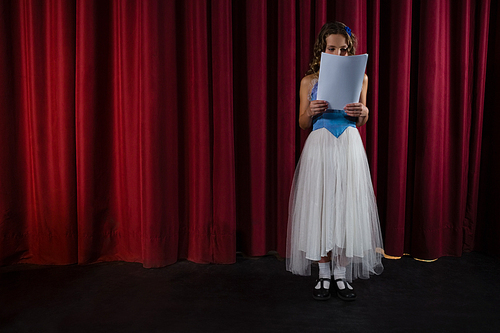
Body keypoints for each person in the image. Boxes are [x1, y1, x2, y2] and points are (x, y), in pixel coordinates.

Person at [286, 21, 384, 301]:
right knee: (320, 204)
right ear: (322, 50)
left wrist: (363, 110)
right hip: (320, 144)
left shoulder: (360, 78)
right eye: (332, 49)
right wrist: (311, 109)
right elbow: (303, 122)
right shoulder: (310, 81)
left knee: (346, 204)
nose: (339, 54)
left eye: (344, 49)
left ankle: (341, 274)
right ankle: (324, 272)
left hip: (349, 144)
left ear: (349, 49)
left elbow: (363, 120)